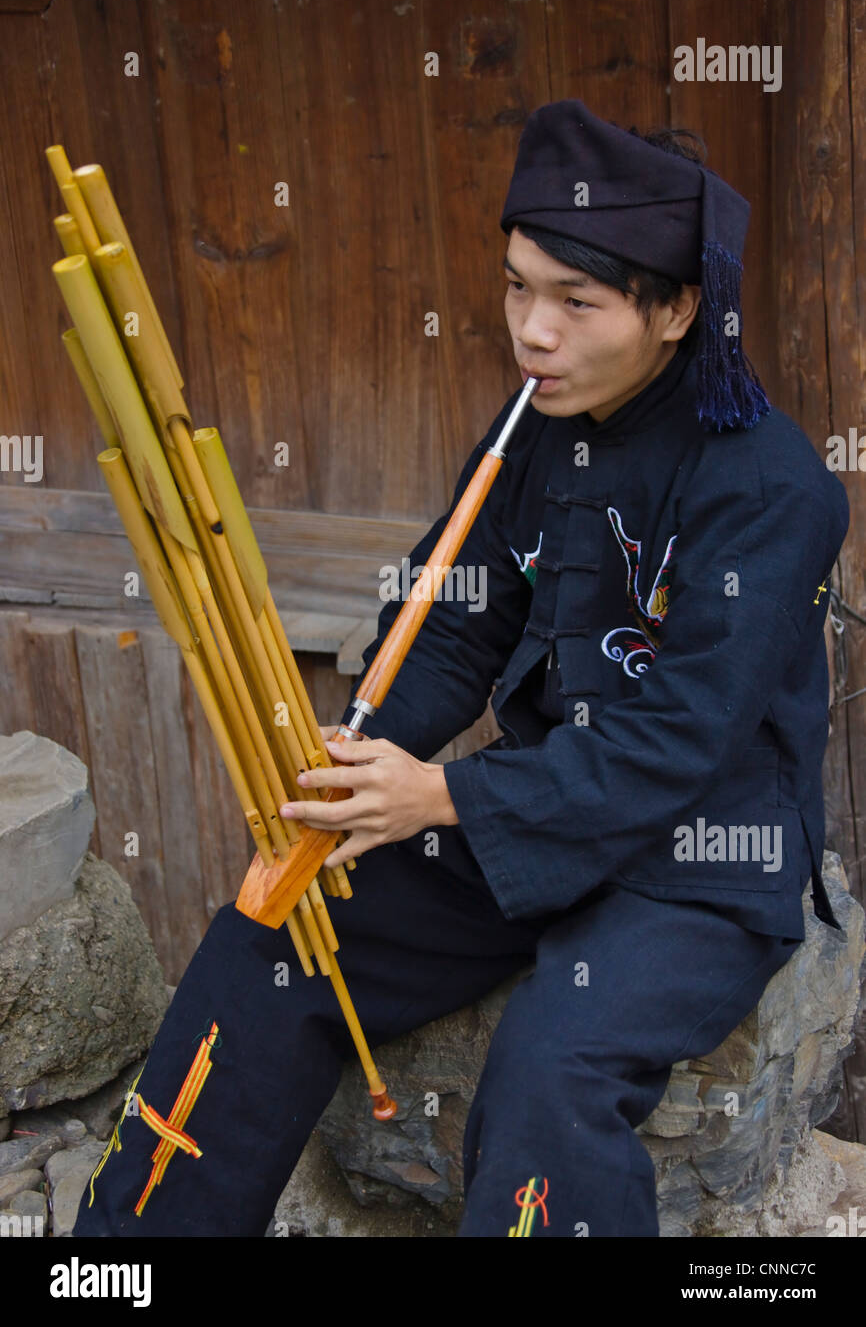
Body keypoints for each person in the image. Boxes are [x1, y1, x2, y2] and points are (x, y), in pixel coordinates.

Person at [74, 99, 849, 1239]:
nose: (530, 331)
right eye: (514, 285)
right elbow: (452, 618)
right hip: (533, 817)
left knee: (549, 1068)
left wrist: (438, 795)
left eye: (575, 303)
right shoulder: (540, 419)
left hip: (691, 856)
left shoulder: (773, 490)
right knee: (281, 933)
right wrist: (363, 750)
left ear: (677, 309)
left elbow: (675, 747)